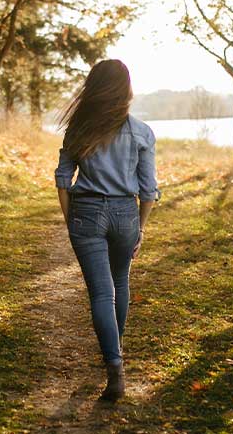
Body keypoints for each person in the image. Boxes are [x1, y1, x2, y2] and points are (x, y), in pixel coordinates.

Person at [54, 59, 161, 402]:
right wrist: (140, 228)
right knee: (120, 283)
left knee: (101, 293)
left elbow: (62, 180)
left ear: (94, 89)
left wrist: (72, 219)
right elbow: (149, 190)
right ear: (125, 90)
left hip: (86, 211)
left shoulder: (78, 130)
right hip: (125, 214)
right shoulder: (142, 132)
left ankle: (114, 366)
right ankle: (115, 352)